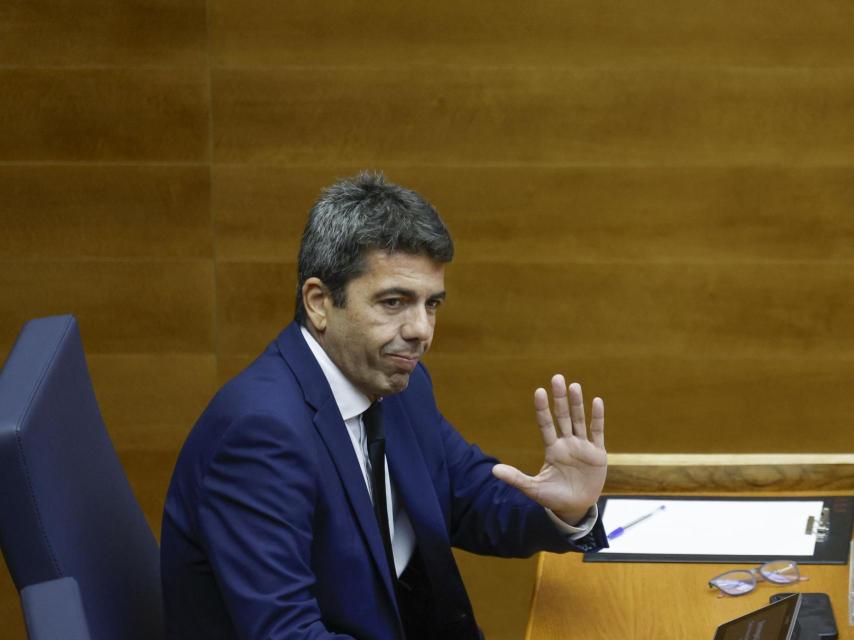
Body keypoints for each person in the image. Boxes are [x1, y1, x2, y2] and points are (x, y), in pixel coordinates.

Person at [160, 172, 608, 640]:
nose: (421, 330)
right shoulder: (260, 433)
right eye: (394, 302)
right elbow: (288, 633)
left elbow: (466, 496)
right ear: (318, 302)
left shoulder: (397, 383)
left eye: (431, 304)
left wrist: (565, 511)